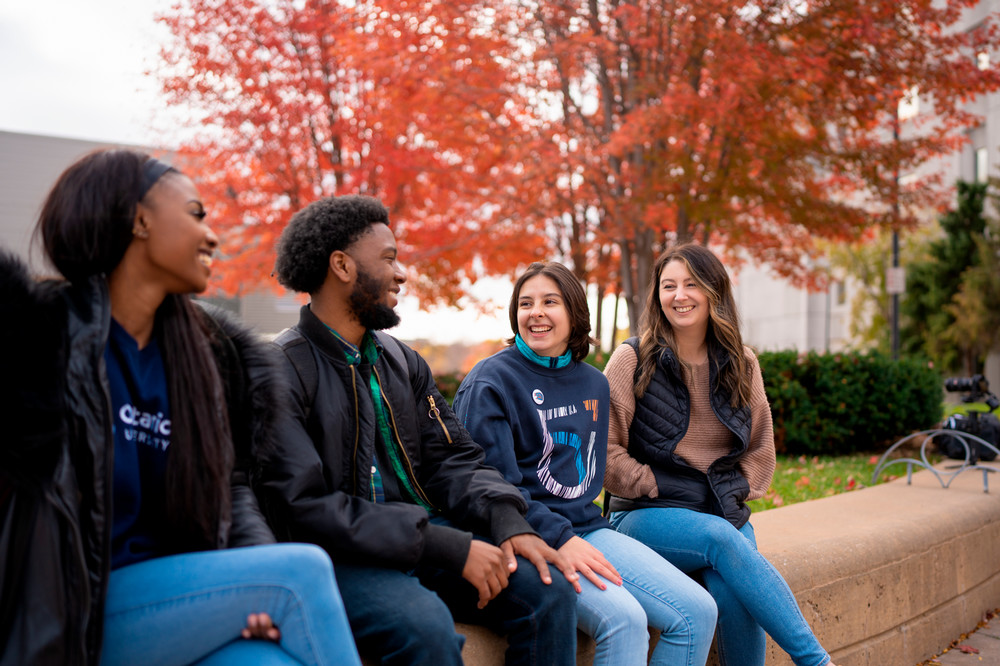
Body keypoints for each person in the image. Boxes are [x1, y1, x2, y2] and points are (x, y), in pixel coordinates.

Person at [0, 149, 360, 666]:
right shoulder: (38, 344)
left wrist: (249, 574)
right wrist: (264, 579)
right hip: (75, 610)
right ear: (140, 219)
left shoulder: (207, 357)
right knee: (301, 572)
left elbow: (231, 492)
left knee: (265, 662)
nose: (211, 235)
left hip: (174, 601)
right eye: (195, 214)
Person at [259, 194, 579, 666]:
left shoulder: (401, 361)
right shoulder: (279, 369)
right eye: (388, 258)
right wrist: (447, 545)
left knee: (546, 590)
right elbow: (301, 507)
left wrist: (509, 523)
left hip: (421, 542)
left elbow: (456, 459)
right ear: (342, 266)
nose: (402, 272)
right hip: (337, 557)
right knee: (426, 628)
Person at [453, 262, 718, 666]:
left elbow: (588, 480)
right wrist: (559, 536)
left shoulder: (594, 383)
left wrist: (578, 532)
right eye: (525, 304)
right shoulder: (491, 382)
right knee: (625, 620)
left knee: (699, 612)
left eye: (549, 302)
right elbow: (491, 489)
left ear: (574, 314)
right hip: (525, 534)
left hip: (588, 529)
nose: (535, 312)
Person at [602, 243, 838, 666]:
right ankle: (816, 661)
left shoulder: (741, 363)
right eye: (669, 285)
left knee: (734, 593)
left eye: (692, 284)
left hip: (719, 508)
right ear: (657, 295)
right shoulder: (632, 358)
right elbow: (602, 451)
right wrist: (653, 481)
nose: (679, 295)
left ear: (715, 291)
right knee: (720, 539)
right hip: (643, 514)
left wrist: (735, 490)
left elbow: (761, 449)